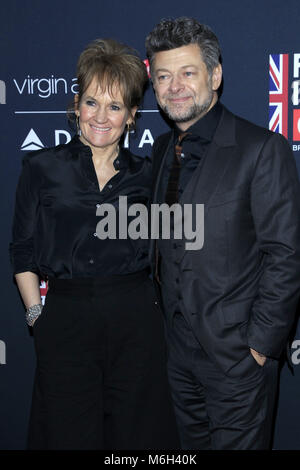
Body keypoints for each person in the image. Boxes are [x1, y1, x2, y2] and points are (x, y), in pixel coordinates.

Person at [10, 38, 179, 450]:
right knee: (67, 433)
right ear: (76, 105)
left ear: (132, 116)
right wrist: (37, 315)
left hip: (136, 319)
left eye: (115, 106)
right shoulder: (41, 168)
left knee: (137, 438)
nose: (101, 117)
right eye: (91, 103)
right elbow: (23, 250)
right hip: (65, 320)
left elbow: (174, 247)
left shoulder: (152, 172)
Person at [145, 17, 300, 450]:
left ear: (215, 75)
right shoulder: (161, 149)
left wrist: (258, 348)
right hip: (177, 356)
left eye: (187, 72)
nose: (174, 86)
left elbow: (285, 254)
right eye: (163, 76)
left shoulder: (261, 149)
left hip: (237, 359)